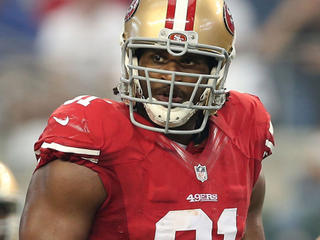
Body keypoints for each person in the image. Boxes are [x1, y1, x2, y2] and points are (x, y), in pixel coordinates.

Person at [19, 0, 274, 239]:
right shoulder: (91, 142)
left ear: (215, 69)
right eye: (158, 58)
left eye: (188, 61)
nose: (169, 75)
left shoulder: (243, 131)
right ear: (133, 58)